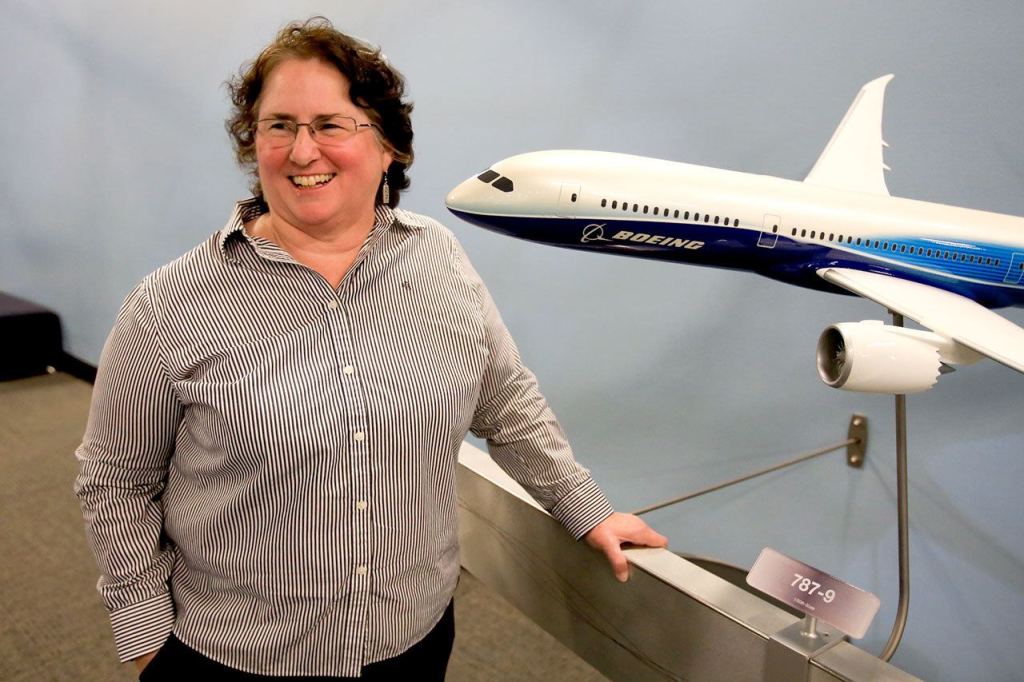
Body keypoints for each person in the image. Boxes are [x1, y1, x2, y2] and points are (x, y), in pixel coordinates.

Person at [75, 17, 667, 680]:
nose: (303, 152)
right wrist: (147, 637)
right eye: (279, 126)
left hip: (409, 640)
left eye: (331, 124)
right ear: (253, 142)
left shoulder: (438, 260)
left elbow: (507, 402)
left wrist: (587, 511)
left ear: (390, 148)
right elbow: (115, 480)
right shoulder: (169, 304)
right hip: (239, 657)